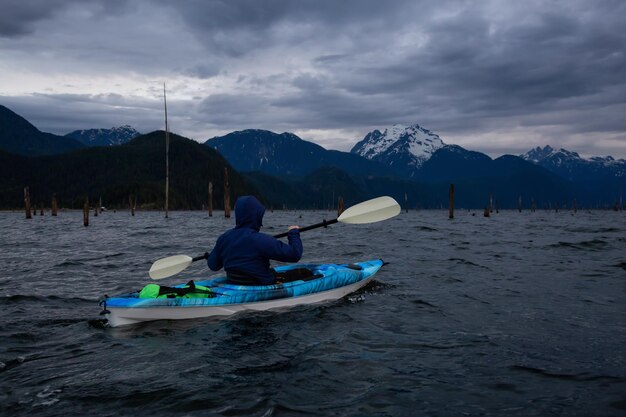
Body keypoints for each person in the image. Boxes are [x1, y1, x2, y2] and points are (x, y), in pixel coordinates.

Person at [207, 195, 303, 285]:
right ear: (256, 217)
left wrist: (212, 255)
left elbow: (213, 265)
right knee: (305, 273)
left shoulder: (223, 239)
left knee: (272, 272)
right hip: (261, 286)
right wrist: (293, 233)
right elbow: (295, 254)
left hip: (235, 283)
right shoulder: (262, 240)